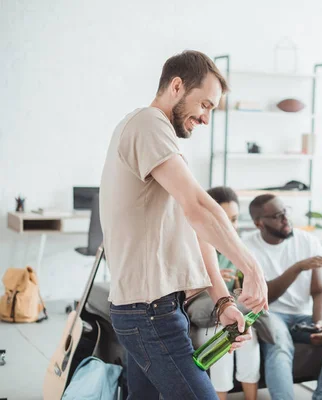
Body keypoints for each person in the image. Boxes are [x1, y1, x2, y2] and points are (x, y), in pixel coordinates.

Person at [99, 50, 268, 400]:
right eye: (204, 105)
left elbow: (194, 227)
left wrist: (223, 302)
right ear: (177, 86)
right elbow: (199, 208)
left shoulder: (160, 140)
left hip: (149, 310)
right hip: (149, 315)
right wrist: (251, 267)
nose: (206, 118)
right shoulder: (149, 124)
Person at [243, 194, 322, 400]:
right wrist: (297, 268)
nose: (286, 219)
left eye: (286, 212)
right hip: (269, 314)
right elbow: (263, 297)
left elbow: (319, 291)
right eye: (277, 216)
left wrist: (320, 323)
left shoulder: (307, 241)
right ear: (259, 223)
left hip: (300, 318)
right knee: (279, 344)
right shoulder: (247, 247)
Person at [193, 186, 260, 400]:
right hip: (200, 313)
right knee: (221, 338)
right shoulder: (191, 244)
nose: (231, 226)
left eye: (235, 219)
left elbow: (238, 290)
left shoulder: (236, 249)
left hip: (227, 311)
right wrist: (209, 278)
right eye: (225, 219)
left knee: (248, 337)